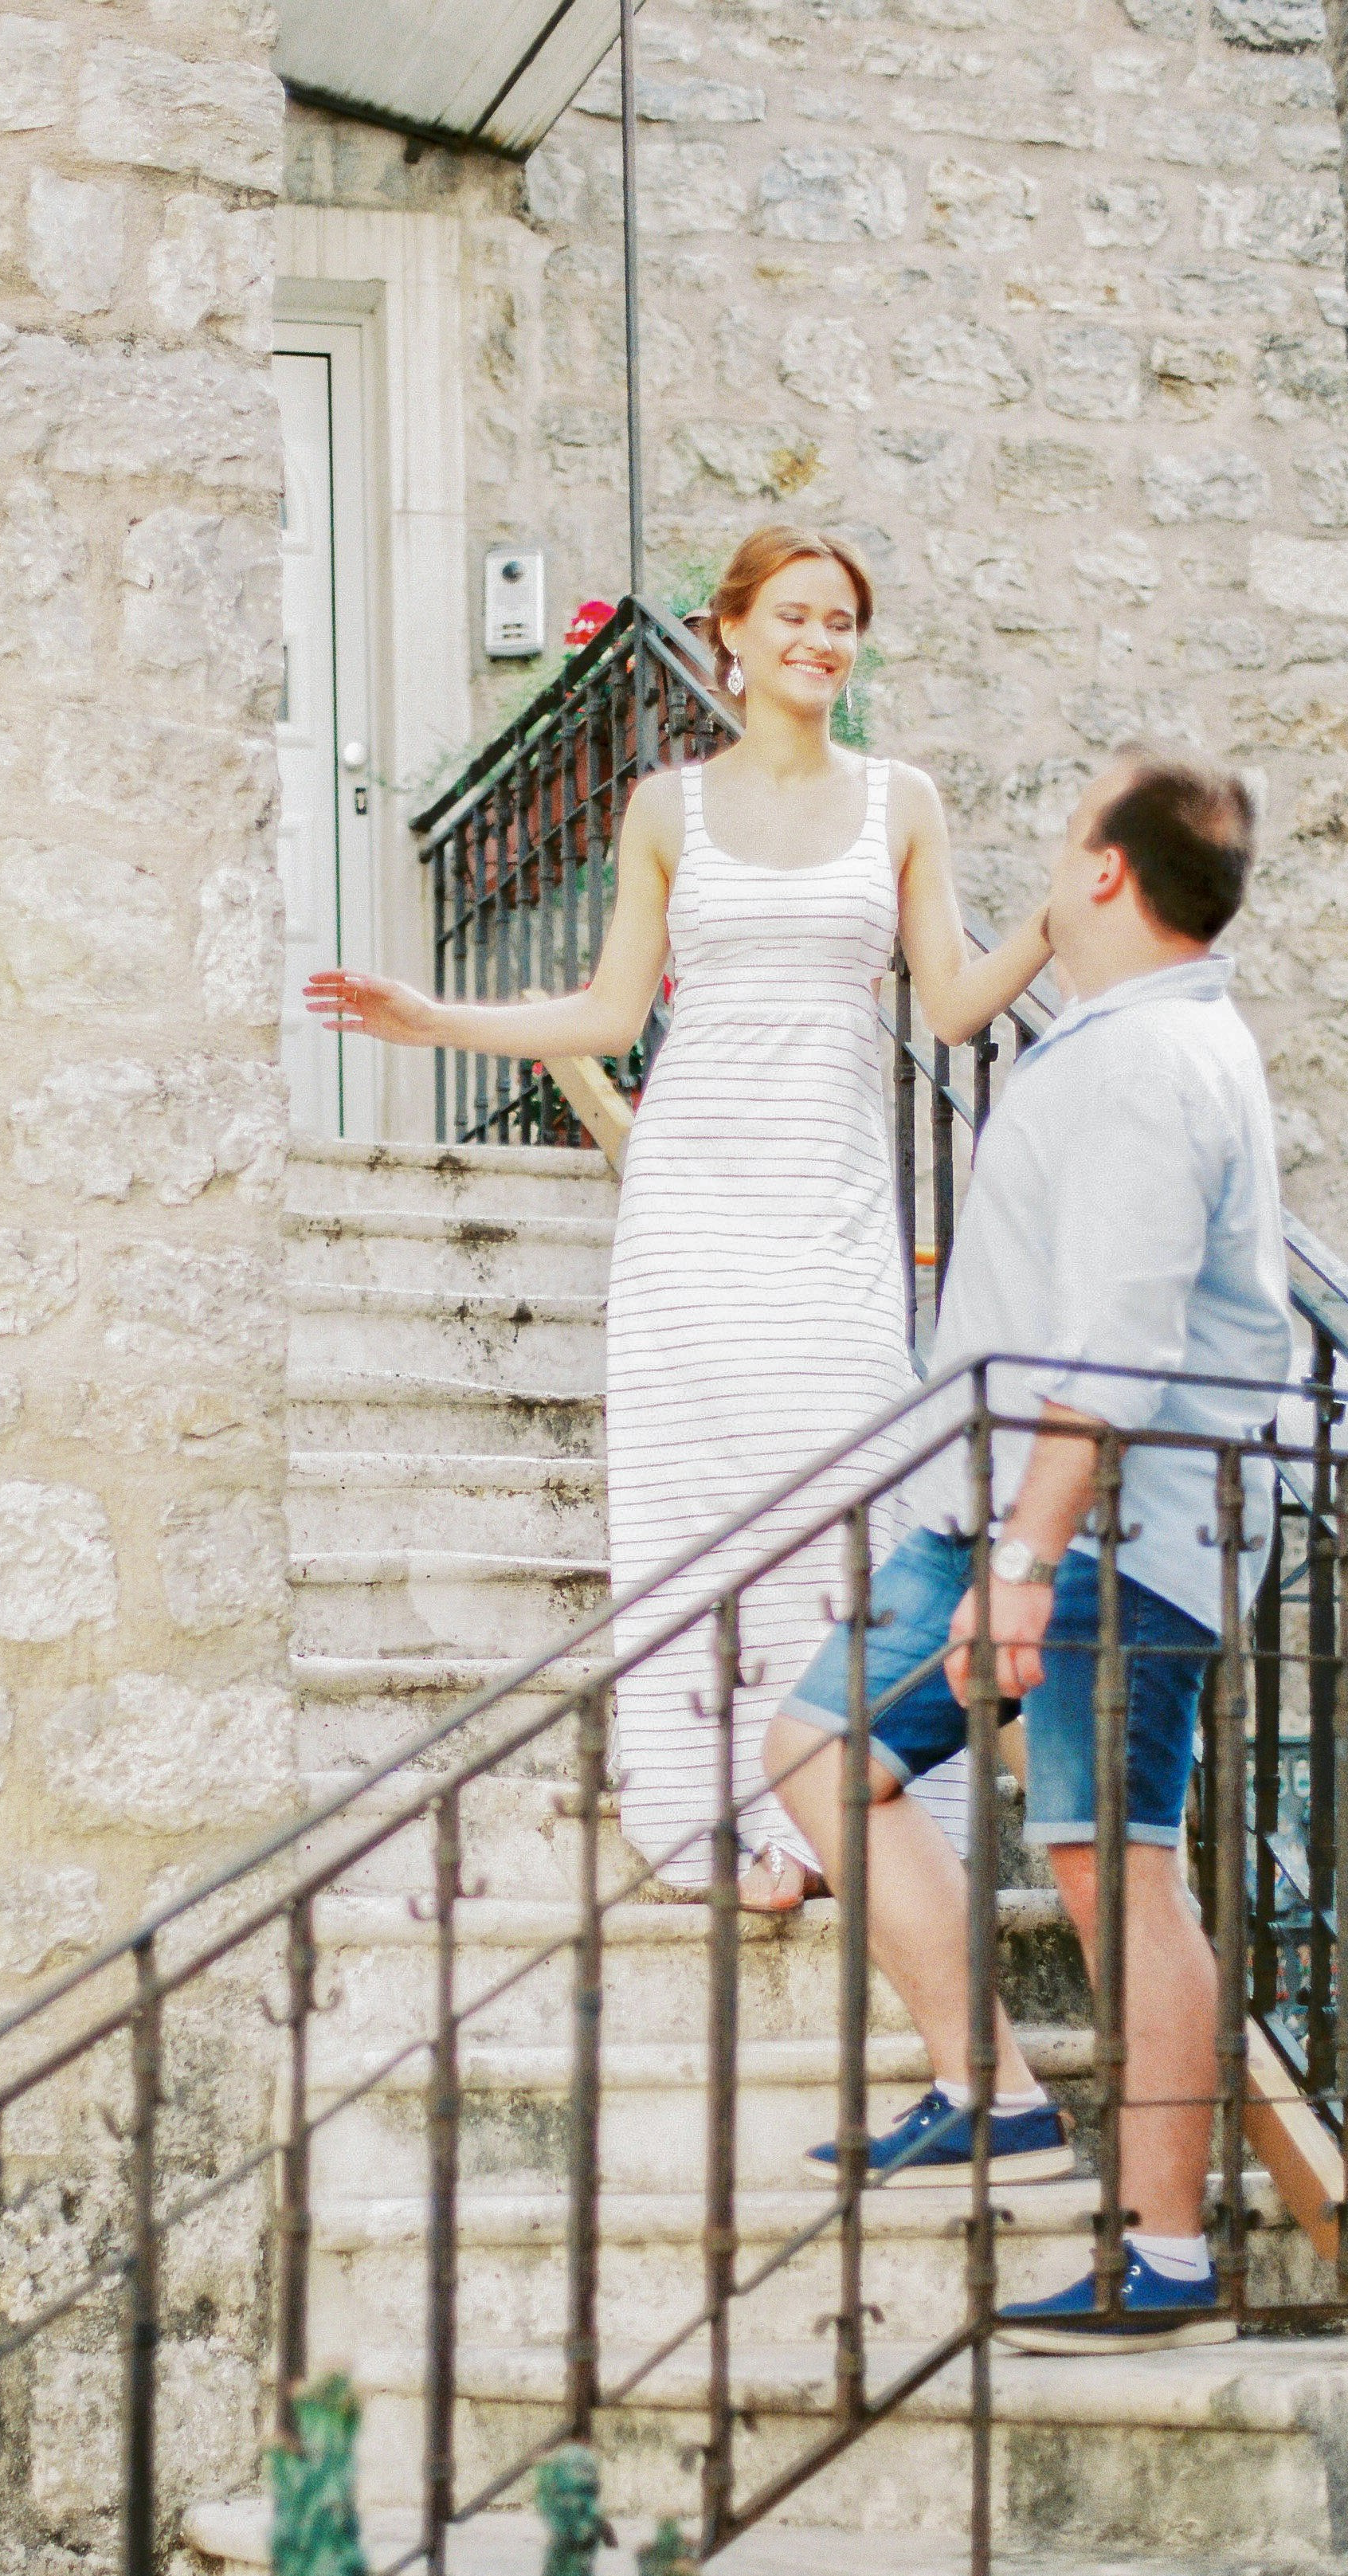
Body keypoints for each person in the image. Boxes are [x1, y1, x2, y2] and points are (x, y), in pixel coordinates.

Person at [306, 524, 1053, 1907]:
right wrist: (429, 1020)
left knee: (845, 1470)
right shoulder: (667, 809)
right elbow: (609, 1013)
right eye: (795, 615)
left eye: (841, 621)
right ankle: (734, 1821)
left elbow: (951, 1005)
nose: (819, 640)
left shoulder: (901, 802)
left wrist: (1057, 920)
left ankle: (846, 1804)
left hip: (829, 1194)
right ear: (734, 631)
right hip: (694, 1193)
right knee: (702, 1496)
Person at [764, 744, 1290, 2352]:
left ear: (1104, 872)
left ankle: (1166, 2258)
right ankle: (986, 2091)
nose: (1055, 865)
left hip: (1105, 1534)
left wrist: (1023, 1563)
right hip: (992, 1510)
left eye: (1066, 839)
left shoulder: (1152, 1067)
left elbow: (1117, 1352)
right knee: (821, 1749)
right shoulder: (1117, 1042)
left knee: (1105, 1865)